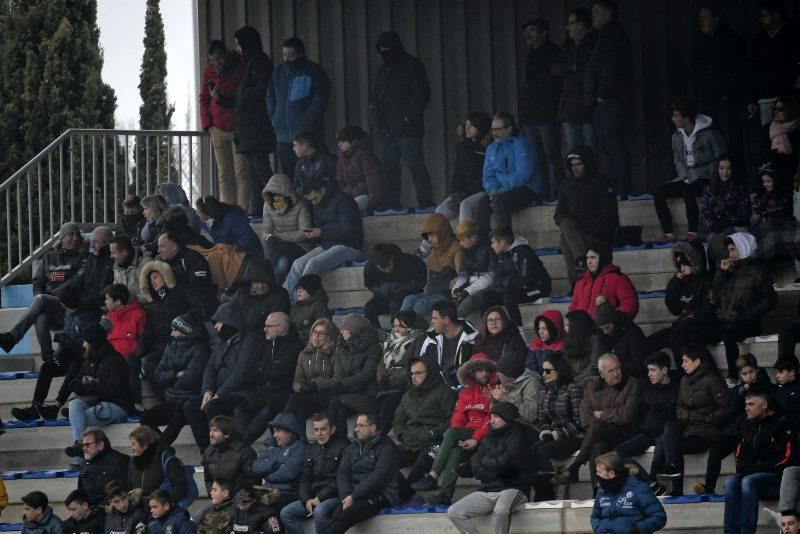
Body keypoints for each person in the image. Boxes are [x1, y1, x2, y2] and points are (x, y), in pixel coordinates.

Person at [411, 354, 496, 505]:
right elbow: (458, 417)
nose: (483, 374)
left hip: (486, 433)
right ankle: (445, 495)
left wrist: (475, 439)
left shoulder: (495, 390)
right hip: (465, 431)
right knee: (454, 447)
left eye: (486, 370)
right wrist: (458, 436)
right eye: (479, 370)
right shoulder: (465, 392)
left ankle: (433, 475)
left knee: (450, 434)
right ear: (471, 373)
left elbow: (491, 419)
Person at [552, 354, 641, 489]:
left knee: (597, 427)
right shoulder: (592, 386)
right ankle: (598, 492)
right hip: (599, 436)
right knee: (598, 446)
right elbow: (585, 417)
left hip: (625, 434)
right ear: (601, 373)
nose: (616, 374)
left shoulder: (632, 384)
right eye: (611, 371)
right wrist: (609, 416)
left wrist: (602, 414)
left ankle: (575, 467)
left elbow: (627, 415)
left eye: (618, 368)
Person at [10, 288, 99, 421]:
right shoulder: (69, 314)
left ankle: (56, 406)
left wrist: (61, 339)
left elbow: (86, 350)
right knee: (48, 366)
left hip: (88, 358)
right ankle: (35, 407)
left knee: (75, 365)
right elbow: (69, 344)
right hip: (71, 353)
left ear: (62, 304)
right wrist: (58, 356)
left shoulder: (84, 319)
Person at [649, 348, 728, 496]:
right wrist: (689, 417)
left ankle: (673, 481)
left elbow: (725, 407)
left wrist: (706, 418)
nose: (682, 365)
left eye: (686, 361)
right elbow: (679, 406)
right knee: (670, 428)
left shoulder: (712, 380)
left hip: (707, 431)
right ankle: (672, 468)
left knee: (672, 442)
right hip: (690, 428)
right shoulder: (684, 380)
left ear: (697, 361)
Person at [0, 222, 86, 357]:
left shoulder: (82, 259)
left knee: (40, 299)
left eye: (77, 235)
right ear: (62, 238)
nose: (75, 238)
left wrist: (46, 297)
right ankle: (48, 358)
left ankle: (12, 337)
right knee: (40, 318)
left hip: (68, 308)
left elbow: (75, 282)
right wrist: (41, 298)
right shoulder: (49, 257)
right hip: (49, 305)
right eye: (71, 234)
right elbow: (38, 281)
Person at [215, 312, 302, 444]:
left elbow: (282, 371)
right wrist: (267, 369)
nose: (264, 329)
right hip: (261, 392)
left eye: (268, 326)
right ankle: (241, 447)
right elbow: (255, 370)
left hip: (280, 395)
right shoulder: (266, 345)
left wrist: (265, 370)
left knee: (264, 414)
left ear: (280, 328)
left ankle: (239, 447)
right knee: (240, 407)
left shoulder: (294, 346)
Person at [695, 352, 775, 495]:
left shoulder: (767, 388)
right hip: (737, 430)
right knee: (716, 449)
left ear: (757, 370)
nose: (749, 376)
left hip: (757, 431)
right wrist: (740, 394)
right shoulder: (738, 391)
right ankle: (709, 488)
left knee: (744, 451)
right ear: (740, 375)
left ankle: (742, 486)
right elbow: (730, 411)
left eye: (751, 372)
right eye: (744, 374)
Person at [370, 30, 434, 209]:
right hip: (387, 129)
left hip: (408, 129)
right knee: (389, 170)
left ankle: (425, 203)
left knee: (416, 167)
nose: (384, 54)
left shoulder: (412, 65)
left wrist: (408, 116)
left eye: (387, 50)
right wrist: (377, 120)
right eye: (381, 50)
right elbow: (375, 98)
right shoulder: (382, 70)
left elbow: (422, 93)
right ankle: (392, 204)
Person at [447, 402, 532, 534]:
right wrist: (470, 468)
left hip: (514, 487)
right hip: (488, 489)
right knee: (454, 512)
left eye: (496, 417)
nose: (491, 421)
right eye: (490, 417)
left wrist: (485, 465)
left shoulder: (519, 434)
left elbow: (507, 464)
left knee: (501, 511)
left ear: (507, 417)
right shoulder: (489, 435)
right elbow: (476, 460)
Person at [711, 232, 777, 385]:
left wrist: (747, 315)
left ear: (743, 247)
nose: (730, 254)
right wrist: (721, 273)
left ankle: (733, 377)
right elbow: (715, 294)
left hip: (748, 322)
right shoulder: (730, 270)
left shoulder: (758, 270)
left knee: (728, 335)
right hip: (726, 320)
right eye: (729, 250)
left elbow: (770, 299)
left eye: (733, 249)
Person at [656, 101, 727, 242]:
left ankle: (693, 232)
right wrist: (684, 175)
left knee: (688, 192)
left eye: (676, 116)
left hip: (706, 176)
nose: (673, 119)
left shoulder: (709, 135)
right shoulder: (676, 136)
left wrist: (714, 176)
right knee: (659, 193)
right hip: (687, 177)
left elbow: (721, 157)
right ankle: (668, 233)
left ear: (686, 118)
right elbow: (678, 160)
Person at [282, 177, 363, 299]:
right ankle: (282, 301)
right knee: (298, 264)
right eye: (311, 200)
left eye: (315, 198)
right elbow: (321, 230)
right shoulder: (317, 205)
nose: (314, 202)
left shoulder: (344, 201)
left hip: (350, 247)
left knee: (312, 264)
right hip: (328, 245)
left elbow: (349, 231)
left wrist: (321, 233)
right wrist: (312, 235)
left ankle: (298, 302)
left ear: (323, 190)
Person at [724, 391, 792, 534]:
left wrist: (759, 468)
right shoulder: (746, 424)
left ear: (765, 405)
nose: (746, 408)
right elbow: (739, 452)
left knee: (748, 481)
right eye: (745, 404)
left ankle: (746, 531)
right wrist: (745, 467)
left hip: (776, 477)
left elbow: (787, 456)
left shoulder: (780, 422)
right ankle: (730, 531)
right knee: (731, 482)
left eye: (751, 404)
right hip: (753, 474)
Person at [65, 323, 133, 467]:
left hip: (118, 404)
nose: (83, 344)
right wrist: (77, 385)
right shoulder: (89, 360)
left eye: (85, 341)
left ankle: (80, 454)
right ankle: (80, 446)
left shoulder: (115, 360)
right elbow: (78, 379)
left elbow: (114, 389)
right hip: (96, 402)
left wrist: (89, 387)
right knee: (74, 404)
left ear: (93, 342)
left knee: (80, 418)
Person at [584, 0, 633, 195]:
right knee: (608, 145)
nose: (592, 16)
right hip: (607, 100)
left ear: (608, 13)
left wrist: (603, 93)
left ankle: (621, 188)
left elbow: (611, 66)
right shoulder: (605, 34)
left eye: (596, 12)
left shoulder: (612, 34)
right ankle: (616, 185)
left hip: (610, 100)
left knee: (613, 144)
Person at [614, 352, 678, 496]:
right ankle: (651, 483)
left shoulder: (677, 389)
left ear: (665, 370)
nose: (649, 374)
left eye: (653, 370)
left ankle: (666, 488)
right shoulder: (646, 388)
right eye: (648, 370)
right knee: (617, 455)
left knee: (659, 454)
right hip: (646, 433)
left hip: (664, 433)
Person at [139, 313, 210, 446]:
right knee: (146, 419)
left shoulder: (200, 349)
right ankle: (163, 451)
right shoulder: (170, 346)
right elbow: (158, 375)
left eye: (175, 330)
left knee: (170, 431)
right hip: (171, 399)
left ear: (185, 331)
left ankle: (161, 452)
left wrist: (170, 378)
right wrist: (176, 374)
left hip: (189, 400)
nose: (172, 334)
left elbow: (191, 379)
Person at [184, 303, 246, 451]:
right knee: (190, 406)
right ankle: (206, 451)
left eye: (218, 322)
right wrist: (208, 391)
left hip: (236, 393)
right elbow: (210, 368)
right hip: (217, 392)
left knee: (212, 407)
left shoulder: (245, 343)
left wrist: (218, 394)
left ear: (230, 321)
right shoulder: (220, 344)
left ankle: (223, 450)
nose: (216, 327)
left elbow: (238, 374)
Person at [267, 36, 331, 178]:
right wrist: (273, 116)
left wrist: (308, 118)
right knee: (288, 176)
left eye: (291, 55)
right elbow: (270, 94)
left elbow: (321, 97)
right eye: (284, 55)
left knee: (308, 176)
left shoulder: (313, 71)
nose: (287, 59)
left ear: (300, 54)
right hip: (283, 136)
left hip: (304, 134)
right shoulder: (279, 71)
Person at [554, 147, 618, 285]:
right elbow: (558, 213)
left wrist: (579, 228)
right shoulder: (566, 184)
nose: (575, 168)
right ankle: (582, 266)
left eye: (579, 164)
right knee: (566, 226)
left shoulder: (601, 183)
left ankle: (577, 283)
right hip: (574, 232)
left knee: (565, 241)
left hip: (597, 234)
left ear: (587, 164)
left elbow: (608, 217)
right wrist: (572, 227)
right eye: (572, 165)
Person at [327, 412, 400, 534]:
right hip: (354, 494)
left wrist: (353, 496)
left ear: (372, 427)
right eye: (356, 425)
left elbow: (379, 477)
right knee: (337, 514)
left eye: (361, 425)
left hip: (381, 493)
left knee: (346, 515)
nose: (356, 429)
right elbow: (342, 473)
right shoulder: (353, 447)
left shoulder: (387, 447)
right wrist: (346, 496)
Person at [133, 261, 192, 406]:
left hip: (179, 345)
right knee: (145, 360)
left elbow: (188, 320)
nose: (152, 282)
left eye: (155, 277)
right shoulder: (154, 304)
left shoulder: (179, 295)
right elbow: (148, 331)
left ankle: (165, 399)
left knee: (153, 361)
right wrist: (139, 352)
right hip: (161, 348)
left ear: (166, 276)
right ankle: (162, 398)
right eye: (150, 280)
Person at [647, 240, 714, 367]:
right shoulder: (683, 281)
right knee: (647, 343)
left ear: (694, 262)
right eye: (680, 264)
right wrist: (675, 282)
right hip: (682, 326)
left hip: (701, 328)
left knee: (675, 338)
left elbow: (708, 311)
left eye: (685, 264)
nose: (681, 268)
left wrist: (686, 320)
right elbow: (674, 309)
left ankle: (682, 376)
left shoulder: (707, 280)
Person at [279, 413, 349, 534]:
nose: (319, 433)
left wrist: (320, 497)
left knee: (319, 511)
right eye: (316, 430)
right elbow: (305, 478)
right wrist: (307, 499)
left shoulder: (345, 447)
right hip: (313, 498)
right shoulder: (311, 448)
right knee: (286, 513)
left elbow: (341, 479)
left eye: (323, 429)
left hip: (334, 497)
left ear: (332, 430)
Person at [393, 356, 456, 487]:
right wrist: (402, 435)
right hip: (410, 443)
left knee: (426, 458)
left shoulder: (444, 392)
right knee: (387, 457)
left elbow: (453, 420)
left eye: (418, 373)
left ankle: (408, 488)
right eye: (411, 373)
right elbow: (398, 420)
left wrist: (432, 433)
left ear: (430, 373)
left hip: (434, 441)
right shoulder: (407, 395)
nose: (413, 377)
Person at [233, 25, 275, 215]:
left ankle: (278, 206)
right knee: (253, 173)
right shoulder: (249, 63)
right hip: (249, 129)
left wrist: (242, 95)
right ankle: (258, 209)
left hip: (258, 126)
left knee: (261, 170)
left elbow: (263, 88)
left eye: (238, 44)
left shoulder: (259, 62)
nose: (237, 49)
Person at [519, 19, 563, 200]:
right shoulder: (531, 54)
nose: (528, 35)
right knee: (536, 159)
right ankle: (541, 195)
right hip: (530, 116)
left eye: (532, 30)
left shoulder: (553, 52)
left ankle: (556, 196)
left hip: (546, 115)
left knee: (552, 157)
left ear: (544, 33)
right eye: (526, 31)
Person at [201, 40, 248, 209]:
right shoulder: (208, 71)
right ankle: (228, 212)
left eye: (219, 59)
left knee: (241, 173)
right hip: (217, 128)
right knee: (224, 174)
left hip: (237, 127)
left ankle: (242, 212)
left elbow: (243, 96)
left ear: (226, 54)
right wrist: (208, 125)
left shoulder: (238, 67)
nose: (216, 63)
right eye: (212, 60)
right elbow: (204, 99)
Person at [530, 353, 584, 501]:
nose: (544, 374)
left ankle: (548, 491)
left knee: (542, 450)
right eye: (543, 370)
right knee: (534, 447)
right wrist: (546, 431)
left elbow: (579, 421)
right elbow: (543, 418)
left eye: (548, 371)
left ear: (559, 370)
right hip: (553, 435)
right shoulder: (544, 391)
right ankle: (544, 488)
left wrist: (556, 434)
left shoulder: (572, 389)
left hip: (573, 436)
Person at [695, 5, 745, 163]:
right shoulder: (702, 42)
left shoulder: (730, 39)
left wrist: (727, 95)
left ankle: (736, 182)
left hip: (726, 102)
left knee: (729, 143)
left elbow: (739, 70)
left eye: (705, 18)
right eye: (700, 18)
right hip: (708, 103)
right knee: (710, 143)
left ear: (715, 20)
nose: (701, 21)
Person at [481, 227, 551, 329]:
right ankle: (486, 331)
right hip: (514, 288)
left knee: (509, 297)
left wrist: (505, 283)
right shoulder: (503, 255)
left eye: (493, 242)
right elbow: (496, 280)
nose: (492, 246)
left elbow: (525, 282)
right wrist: (505, 284)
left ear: (503, 242)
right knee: (488, 296)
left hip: (537, 288)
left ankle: (519, 333)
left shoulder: (524, 253)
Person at [480, 111, 539, 229]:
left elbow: (523, 174)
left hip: (526, 188)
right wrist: (493, 189)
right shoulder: (491, 148)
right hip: (499, 190)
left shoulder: (521, 144)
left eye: (498, 129)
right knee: (482, 203)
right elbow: (487, 174)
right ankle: (482, 244)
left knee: (499, 203)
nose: (494, 133)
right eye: (492, 129)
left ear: (509, 129)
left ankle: (505, 240)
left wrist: (502, 190)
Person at [433, 111, 492, 225]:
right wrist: (454, 193)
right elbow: (458, 172)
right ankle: (428, 243)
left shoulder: (489, 147)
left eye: (472, 125)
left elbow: (485, 176)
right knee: (440, 210)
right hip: (463, 192)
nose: (467, 128)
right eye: (466, 124)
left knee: (465, 205)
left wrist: (465, 193)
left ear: (481, 127)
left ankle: (465, 240)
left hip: (483, 190)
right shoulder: (462, 147)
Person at [327, 314, 382, 435]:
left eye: (345, 329)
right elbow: (339, 372)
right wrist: (340, 384)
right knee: (340, 411)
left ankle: (329, 433)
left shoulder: (373, 348)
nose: (341, 332)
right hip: (349, 393)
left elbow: (367, 374)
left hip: (367, 394)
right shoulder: (341, 348)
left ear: (354, 331)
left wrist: (342, 384)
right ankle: (339, 441)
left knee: (335, 401)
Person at [748, 1, 800, 127]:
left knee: (788, 135)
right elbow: (753, 70)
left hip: (788, 96)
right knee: (769, 136)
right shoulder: (759, 40)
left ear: (776, 15)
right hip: (765, 97)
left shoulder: (793, 35)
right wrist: (752, 99)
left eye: (765, 16)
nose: (761, 19)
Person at [553, 7, 597, 150]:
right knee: (574, 153)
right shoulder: (568, 45)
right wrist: (572, 67)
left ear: (582, 24)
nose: (568, 27)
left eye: (571, 23)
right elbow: (554, 69)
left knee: (591, 151)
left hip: (589, 107)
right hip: (570, 109)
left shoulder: (595, 43)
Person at [375, 311, 428, 431]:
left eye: (400, 326)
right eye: (394, 325)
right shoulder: (391, 338)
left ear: (410, 326)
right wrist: (381, 377)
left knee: (387, 405)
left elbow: (413, 367)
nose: (396, 329)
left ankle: (380, 439)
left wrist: (390, 380)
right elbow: (382, 362)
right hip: (385, 382)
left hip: (404, 385)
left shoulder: (418, 339)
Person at [590, 452, 667, 534]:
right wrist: (598, 528)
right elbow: (595, 516)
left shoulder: (638, 488)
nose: (596, 475)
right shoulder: (601, 490)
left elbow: (659, 516)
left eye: (599, 472)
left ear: (611, 474)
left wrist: (636, 530)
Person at [401, 213, 461, 315]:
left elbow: (462, 276)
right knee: (408, 299)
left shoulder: (457, 249)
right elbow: (429, 280)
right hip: (430, 293)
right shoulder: (433, 253)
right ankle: (399, 328)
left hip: (446, 295)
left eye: (432, 235)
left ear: (442, 232)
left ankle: (412, 330)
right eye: (428, 236)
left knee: (421, 304)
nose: (429, 240)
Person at [261, 172, 314, 286]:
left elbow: (305, 232)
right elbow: (266, 230)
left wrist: (279, 237)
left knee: (281, 263)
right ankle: (269, 286)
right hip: (278, 246)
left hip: (300, 246)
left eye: (279, 194)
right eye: (273, 194)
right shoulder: (267, 206)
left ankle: (271, 288)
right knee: (279, 262)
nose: (276, 198)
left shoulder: (301, 205)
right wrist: (268, 237)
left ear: (287, 193)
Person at [284, 318, 340, 423]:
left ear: (329, 336)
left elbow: (338, 379)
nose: (316, 336)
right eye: (314, 332)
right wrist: (301, 387)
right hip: (308, 396)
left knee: (294, 398)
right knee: (301, 411)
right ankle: (298, 438)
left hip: (327, 395)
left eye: (321, 333)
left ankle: (280, 427)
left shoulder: (336, 354)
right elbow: (297, 380)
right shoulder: (303, 354)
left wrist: (316, 384)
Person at [251, 412, 307, 509]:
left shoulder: (300, 448)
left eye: (278, 431)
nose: (275, 435)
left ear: (291, 432)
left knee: (261, 503)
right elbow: (255, 466)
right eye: (274, 431)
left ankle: (271, 524)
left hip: (285, 493)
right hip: (266, 489)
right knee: (240, 496)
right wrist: (273, 466)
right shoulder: (274, 449)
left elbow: (289, 473)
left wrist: (266, 475)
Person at [569, 243, 639, 320]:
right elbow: (574, 306)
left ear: (603, 258)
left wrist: (607, 320)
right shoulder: (581, 281)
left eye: (593, 257)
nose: (589, 261)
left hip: (606, 329)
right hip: (582, 329)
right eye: (587, 258)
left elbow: (630, 306)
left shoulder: (618, 279)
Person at [363, 243, 426, 328]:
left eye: (389, 265)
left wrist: (403, 286)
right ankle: (376, 334)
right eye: (382, 268)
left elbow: (421, 281)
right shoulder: (370, 267)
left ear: (392, 258)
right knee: (369, 309)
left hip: (406, 295)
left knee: (395, 304)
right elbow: (370, 285)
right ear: (376, 266)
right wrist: (380, 289)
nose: (387, 270)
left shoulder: (408, 261)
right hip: (384, 297)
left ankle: (395, 331)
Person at [417, 300, 477, 389]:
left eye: (435, 318)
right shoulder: (431, 339)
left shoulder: (472, 340)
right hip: (434, 387)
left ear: (446, 320)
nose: (432, 322)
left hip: (461, 390)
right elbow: (422, 366)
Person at [156, 232, 217, 319]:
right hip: (178, 311)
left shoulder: (193, 259)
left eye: (162, 246)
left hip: (198, 312)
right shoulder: (165, 264)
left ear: (174, 246)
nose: (158, 250)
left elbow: (198, 292)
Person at [222, 258, 290, 334]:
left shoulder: (280, 295)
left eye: (264, 282)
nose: (260, 286)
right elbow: (229, 316)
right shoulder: (242, 293)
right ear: (250, 282)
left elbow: (274, 327)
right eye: (256, 282)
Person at [127, 425, 188, 508]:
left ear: (145, 445)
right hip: (140, 512)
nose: (131, 448)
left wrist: (157, 501)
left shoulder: (166, 459)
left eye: (133, 444)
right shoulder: (134, 461)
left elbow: (180, 488)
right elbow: (130, 485)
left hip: (165, 512)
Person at [700, 155, 751, 245]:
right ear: (717, 169)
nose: (725, 172)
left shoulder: (741, 188)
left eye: (728, 168)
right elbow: (705, 214)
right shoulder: (708, 189)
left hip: (738, 228)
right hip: (716, 230)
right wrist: (714, 225)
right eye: (722, 168)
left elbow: (745, 212)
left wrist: (728, 223)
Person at [594, 296, 648, 379]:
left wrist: (615, 368)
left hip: (633, 378)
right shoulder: (602, 336)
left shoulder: (633, 332)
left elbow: (639, 364)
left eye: (607, 327)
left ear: (614, 322)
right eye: (602, 329)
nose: (605, 332)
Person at [201, 415, 257, 495]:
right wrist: (213, 494)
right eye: (210, 430)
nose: (211, 434)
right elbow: (208, 480)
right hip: (219, 500)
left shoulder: (245, 452)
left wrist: (235, 499)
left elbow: (252, 481)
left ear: (227, 434)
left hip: (239, 502)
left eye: (215, 431)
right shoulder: (208, 452)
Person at [335, 125, 385, 212]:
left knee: (348, 210)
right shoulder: (341, 158)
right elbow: (340, 183)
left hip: (365, 196)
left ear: (353, 140)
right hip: (349, 197)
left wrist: (372, 205)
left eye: (343, 141)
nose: (339, 144)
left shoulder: (365, 155)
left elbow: (374, 182)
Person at [451, 219, 494, 318]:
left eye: (462, 240)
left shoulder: (489, 248)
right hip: (472, 285)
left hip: (488, 288)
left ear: (473, 238)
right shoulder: (465, 250)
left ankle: (454, 327)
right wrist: (457, 288)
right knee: (451, 304)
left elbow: (492, 276)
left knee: (468, 302)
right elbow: (464, 272)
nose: (460, 244)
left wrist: (468, 291)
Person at [76, 429, 129, 507]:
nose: (84, 448)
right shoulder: (85, 463)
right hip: (90, 512)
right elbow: (80, 490)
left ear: (100, 445)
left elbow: (124, 490)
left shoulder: (119, 461)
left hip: (111, 511)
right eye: (83, 445)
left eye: (87, 445)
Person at [195, 195, 261, 254]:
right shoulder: (206, 220)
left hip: (249, 254)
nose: (197, 214)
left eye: (199, 213)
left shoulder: (233, 218)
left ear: (208, 213)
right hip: (229, 254)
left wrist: (232, 247)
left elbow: (249, 239)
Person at [492, 351, 541, 426]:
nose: (497, 374)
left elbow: (531, 416)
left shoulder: (531, 383)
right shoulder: (505, 384)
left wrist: (505, 398)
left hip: (525, 430)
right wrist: (494, 401)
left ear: (508, 373)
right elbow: (496, 417)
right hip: (509, 427)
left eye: (499, 371)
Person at [71, 226, 115, 309]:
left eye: (96, 242)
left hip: (101, 306)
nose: (92, 246)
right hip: (86, 303)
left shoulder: (113, 260)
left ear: (107, 243)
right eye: (92, 241)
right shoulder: (91, 258)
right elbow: (80, 281)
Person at [562, 310, 604, 385]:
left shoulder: (595, 339)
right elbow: (567, 363)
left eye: (567, 325)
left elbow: (594, 366)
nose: (564, 328)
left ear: (576, 326)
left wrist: (575, 380)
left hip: (591, 379)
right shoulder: (568, 339)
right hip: (574, 380)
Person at [104, 283, 146, 359]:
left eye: (107, 299)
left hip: (130, 358)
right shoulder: (109, 315)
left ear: (118, 302)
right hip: (110, 357)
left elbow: (143, 341)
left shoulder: (138, 314)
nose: (105, 302)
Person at [292, 130, 338, 194]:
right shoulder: (300, 164)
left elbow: (334, 183)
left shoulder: (328, 160)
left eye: (295, 145)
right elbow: (297, 187)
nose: (293, 149)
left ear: (305, 146)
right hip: (306, 200)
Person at [289, 274, 330, 344]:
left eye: (302, 289)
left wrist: (295, 335)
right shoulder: (294, 306)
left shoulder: (319, 306)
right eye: (297, 288)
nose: (298, 291)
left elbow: (321, 330)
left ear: (311, 290)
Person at [526, 309, 565, 375]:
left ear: (553, 329)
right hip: (537, 380)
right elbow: (530, 369)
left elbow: (556, 373)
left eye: (544, 328)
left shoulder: (562, 347)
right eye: (539, 328)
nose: (540, 332)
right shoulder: (535, 346)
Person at [110, 235, 145, 301]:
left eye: (113, 253)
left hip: (140, 308)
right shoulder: (117, 265)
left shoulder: (145, 265)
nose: (111, 256)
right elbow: (115, 291)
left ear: (124, 252)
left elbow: (146, 295)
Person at [774, 356, 800, 432]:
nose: (777, 376)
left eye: (781, 372)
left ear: (792, 372)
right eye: (777, 372)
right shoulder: (780, 391)